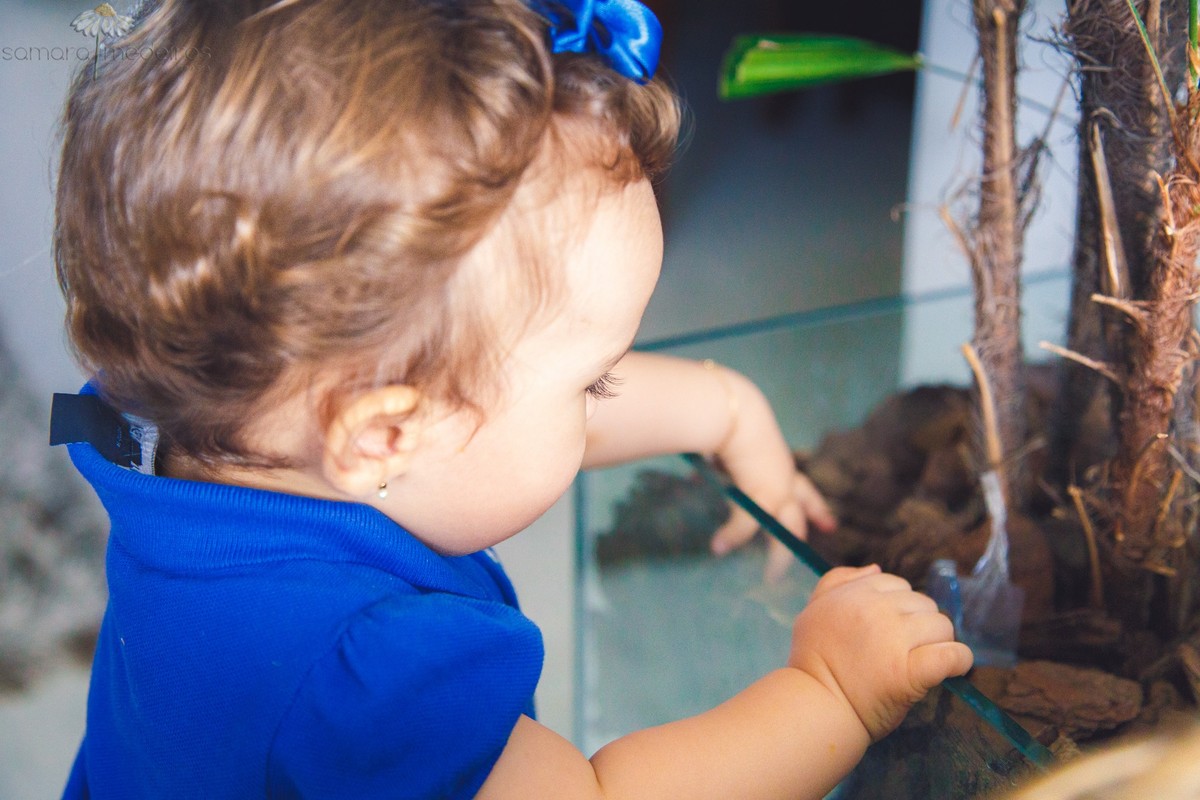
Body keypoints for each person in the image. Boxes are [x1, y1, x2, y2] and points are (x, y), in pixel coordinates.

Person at [51, 0, 973, 797]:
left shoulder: (187, 439)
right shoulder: (364, 679)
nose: (601, 398)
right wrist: (832, 692)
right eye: (593, 381)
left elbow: (481, 425)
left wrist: (721, 406)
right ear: (383, 437)